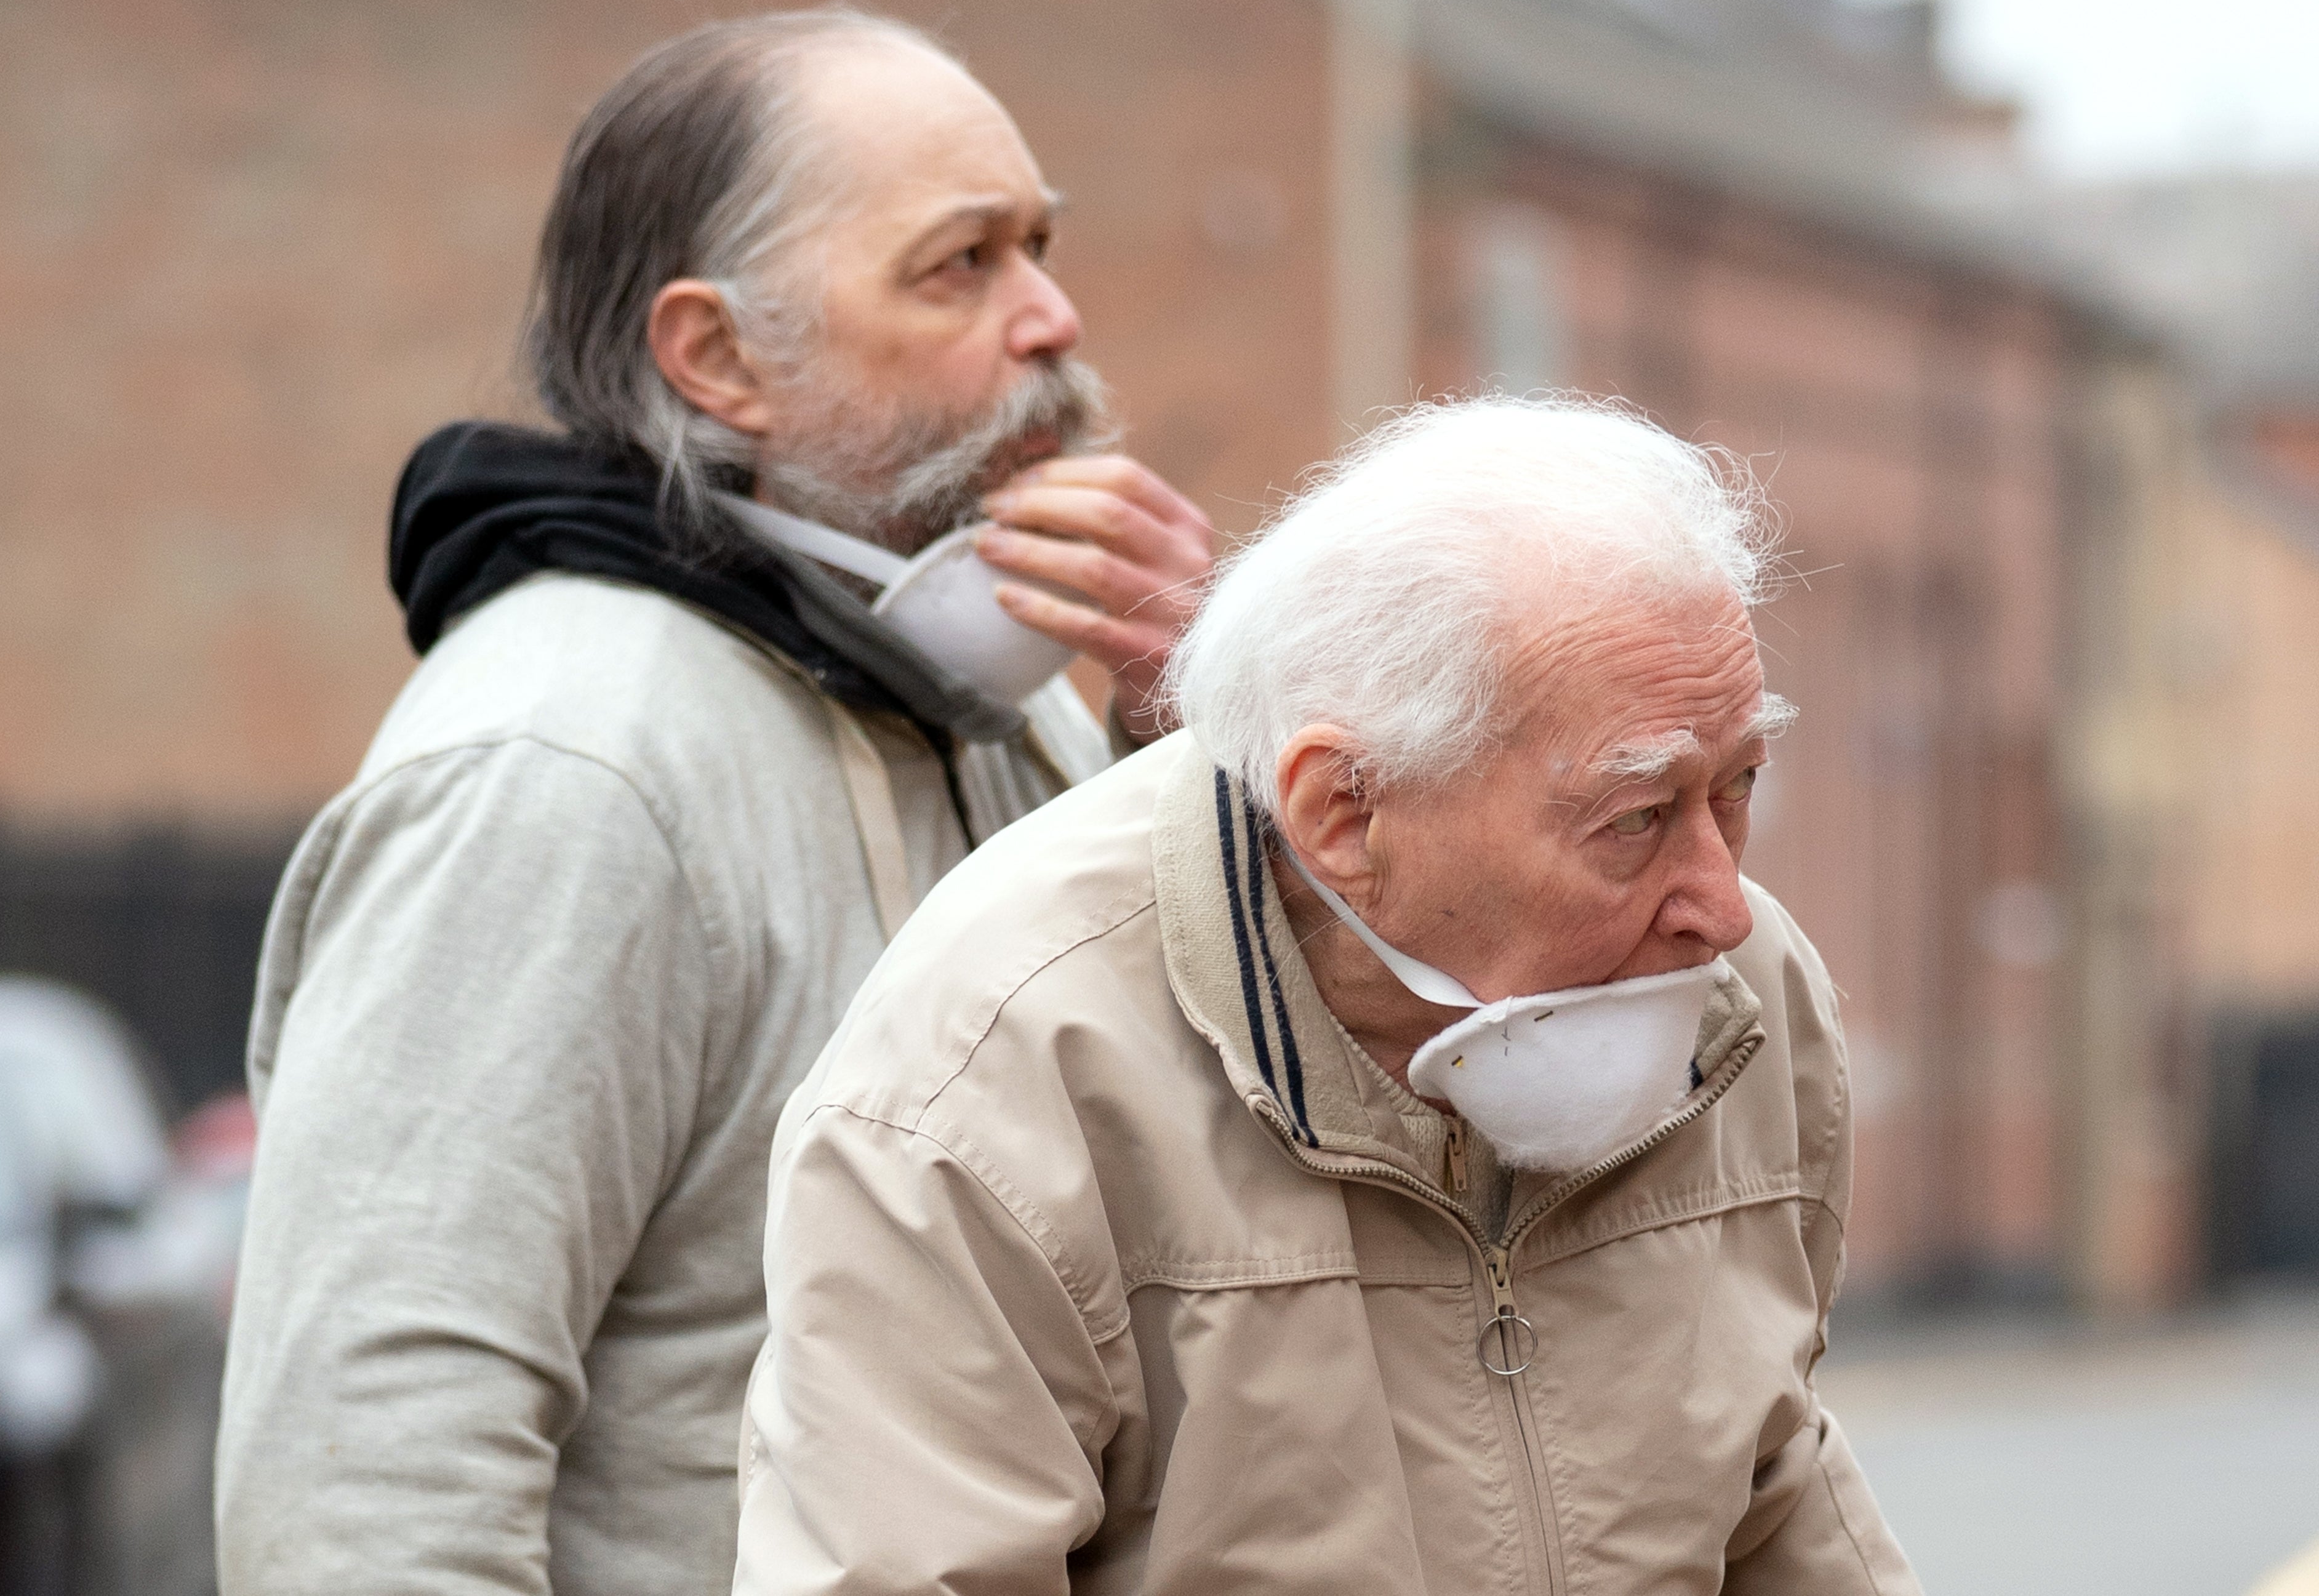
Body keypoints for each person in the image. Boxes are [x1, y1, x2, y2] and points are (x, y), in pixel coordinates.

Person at [214, 9, 1214, 1596]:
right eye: (961, 264)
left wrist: (1188, 736)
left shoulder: (1000, 693)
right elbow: (367, 1477)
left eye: (1039, 248)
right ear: (718, 357)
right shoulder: (561, 766)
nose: (1052, 318)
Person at [735, 396, 1922, 1594]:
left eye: (1737, 784)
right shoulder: (981, 1092)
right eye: (1635, 816)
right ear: (1341, 813)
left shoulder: (1740, 997)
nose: (1720, 909)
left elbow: (1768, 1489)